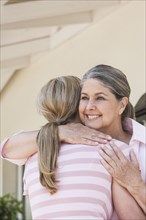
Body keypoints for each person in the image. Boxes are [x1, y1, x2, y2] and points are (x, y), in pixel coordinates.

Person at [1, 65, 146, 219]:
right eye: (84, 98)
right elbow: (6, 149)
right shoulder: (111, 151)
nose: (89, 107)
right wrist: (59, 132)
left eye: (100, 98)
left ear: (122, 105)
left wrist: (135, 184)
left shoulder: (36, 156)